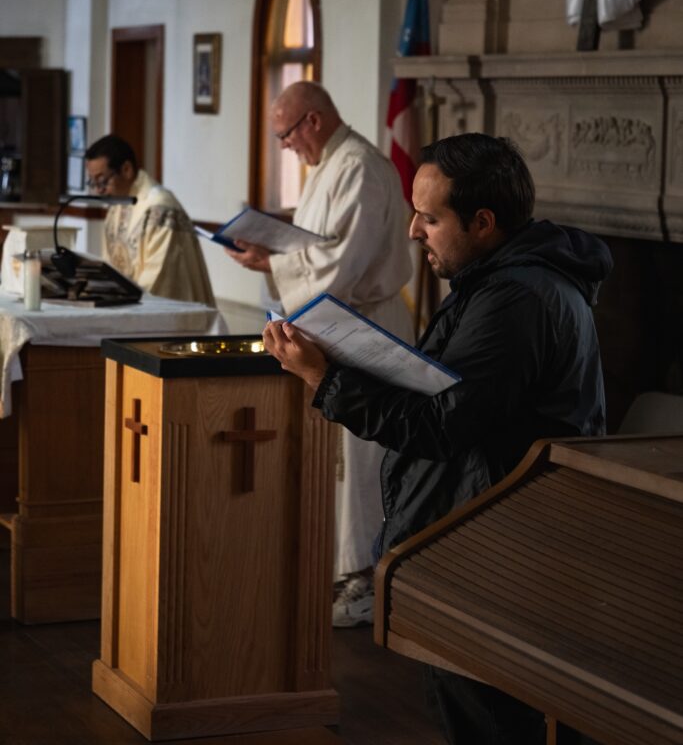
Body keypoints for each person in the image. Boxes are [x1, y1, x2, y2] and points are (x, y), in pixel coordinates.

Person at [263, 132, 613, 745]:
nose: (412, 232)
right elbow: (445, 397)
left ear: (483, 222)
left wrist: (325, 378)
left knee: (491, 718)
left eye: (429, 217)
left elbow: (441, 424)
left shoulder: (518, 297)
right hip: (483, 536)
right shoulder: (496, 281)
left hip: (501, 549)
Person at [225, 81, 413, 627]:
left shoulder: (359, 167)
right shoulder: (330, 166)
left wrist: (275, 264)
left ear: (312, 120)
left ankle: (365, 583)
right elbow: (316, 248)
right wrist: (273, 255)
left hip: (366, 326)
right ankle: (338, 570)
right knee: (339, 460)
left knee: (360, 460)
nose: (285, 145)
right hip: (337, 326)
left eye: (286, 134)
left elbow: (341, 266)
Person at [84, 134, 216, 307]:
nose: (99, 191)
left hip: (168, 313)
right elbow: (110, 266)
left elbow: (160, 277)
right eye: (93, 183)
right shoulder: (117, 206)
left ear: (126, 169)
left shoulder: (160, 208)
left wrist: (121, 302)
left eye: (102, 181)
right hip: (126, 307)